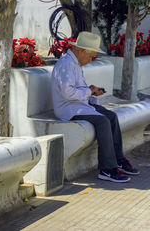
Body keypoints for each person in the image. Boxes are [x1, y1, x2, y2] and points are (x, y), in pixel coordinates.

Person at [51, 31, 139, 183]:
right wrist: (89, 91)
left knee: (111, 116)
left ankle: (117, 160)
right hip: (69, 109)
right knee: (103, 121)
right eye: (91, 56)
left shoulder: (74, 63)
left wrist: (91, 92)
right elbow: (67, 93)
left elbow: (77, 90)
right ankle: (107, 169)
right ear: (82, 51)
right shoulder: (66, 65)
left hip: (79, 105)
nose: (91, 59)